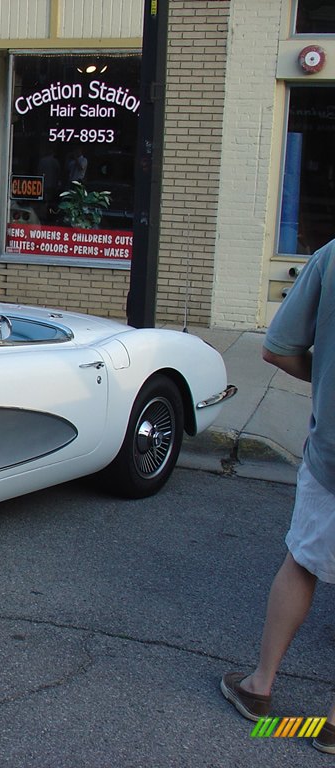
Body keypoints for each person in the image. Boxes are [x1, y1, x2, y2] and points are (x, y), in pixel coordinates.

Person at [220, 237, 335, 754]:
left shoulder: (331, 255)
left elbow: (278, 349)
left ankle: (259, 689)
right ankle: (330, 728)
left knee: (303, 562)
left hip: (333, 452)